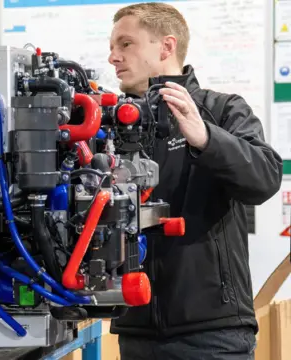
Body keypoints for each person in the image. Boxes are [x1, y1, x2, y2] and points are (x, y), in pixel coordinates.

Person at [107, 2, 283, 359]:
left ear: (166, 46)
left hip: (213, 334)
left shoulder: (222, 110)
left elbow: (264, 179)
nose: (113, 57)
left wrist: (206, 138)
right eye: (112, 47)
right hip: (135, 331)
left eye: (125, 44)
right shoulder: (113, 126)